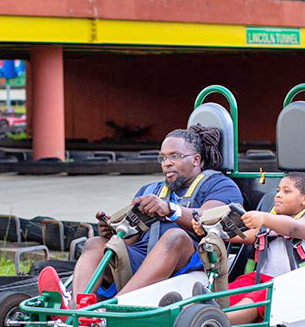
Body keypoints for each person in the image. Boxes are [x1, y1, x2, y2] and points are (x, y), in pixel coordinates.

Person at [39, 124, 244, 308]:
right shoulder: (151, 189)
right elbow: (131, 239)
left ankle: (113, 307)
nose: (167, 163)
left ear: (196, 159)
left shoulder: (219, 185)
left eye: (175, 156)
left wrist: (171, 210)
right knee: (95, 243)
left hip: (191, 260)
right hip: (144, 260)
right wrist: (113, 231)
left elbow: (210, 217)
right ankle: (77, 307)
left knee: (175, 236)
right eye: (163, 157)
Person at [195, 172, 305, 325]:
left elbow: (292, 228)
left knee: (257, 297)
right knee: (234, 289)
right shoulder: (269, 226)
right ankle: (191, 309)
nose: (278, 195)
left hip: (290, 286)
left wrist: (264, 218)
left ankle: (214, 321)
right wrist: (212, 231)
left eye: (286, 191)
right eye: (278, 191)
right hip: (259, 279)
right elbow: (247, 236)